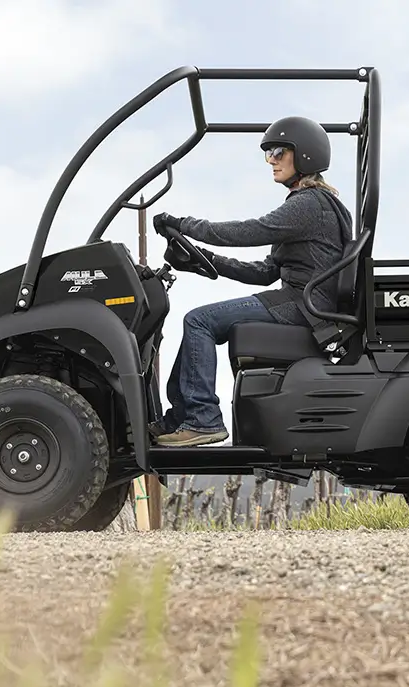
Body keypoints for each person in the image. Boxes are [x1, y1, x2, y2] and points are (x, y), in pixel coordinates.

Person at [148, 115, 354, 447]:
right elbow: (265, 271)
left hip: (303, 306)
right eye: (268, 153)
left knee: (199, 320)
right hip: (301, 301)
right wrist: (208, 260)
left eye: (278, 152)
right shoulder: (309, 205)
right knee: (200, 320)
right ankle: (178, 420)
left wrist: (183, 223)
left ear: (305, 156)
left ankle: (203, 420)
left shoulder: (309, 205)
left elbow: (247, 232)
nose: (271, 160)